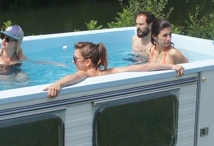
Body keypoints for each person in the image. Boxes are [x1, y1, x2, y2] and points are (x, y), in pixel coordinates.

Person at [44, 40, 185, 97]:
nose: (73, 61)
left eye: (75, 59)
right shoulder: (110, 72)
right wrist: (172, 66)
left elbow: (75, 77)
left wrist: (58, 84)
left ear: (87, 62)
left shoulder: (85, 74)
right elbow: (145, 66)